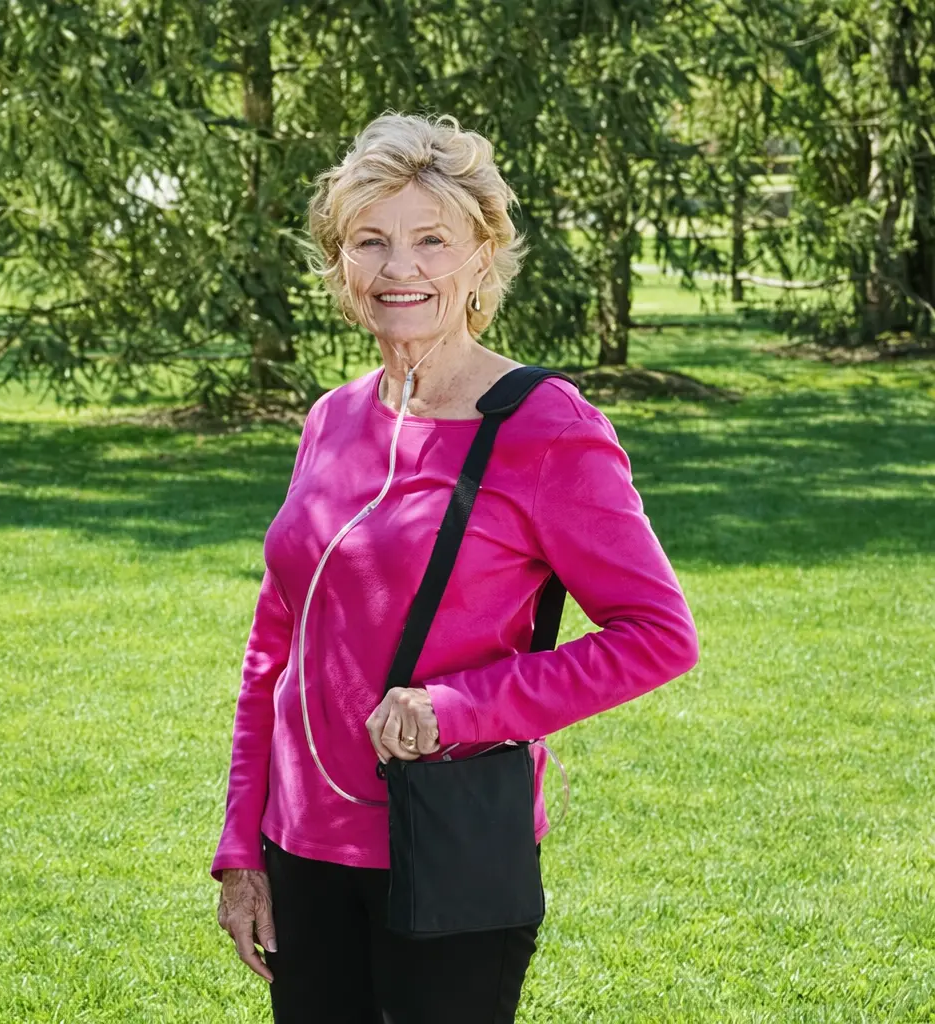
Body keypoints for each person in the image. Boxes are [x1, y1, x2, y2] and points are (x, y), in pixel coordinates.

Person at [212, 112, 699, 1024]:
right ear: (341, 262)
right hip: (301, 851)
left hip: (446, 852)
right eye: (372, 240)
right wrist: (243, 845)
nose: (401, 268)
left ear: (481, 258)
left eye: (431, 239)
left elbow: (659, 638)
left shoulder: (547, 427)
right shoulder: (332, 418)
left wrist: (459, 709)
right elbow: (273, 648)